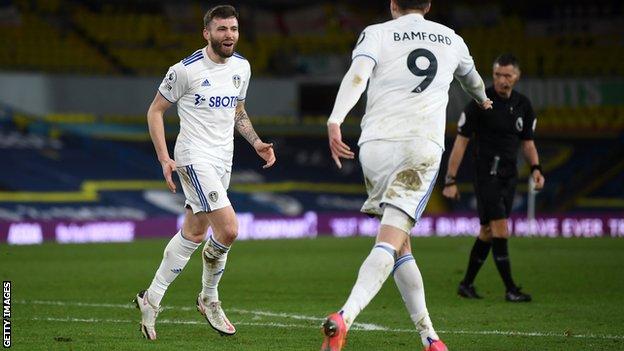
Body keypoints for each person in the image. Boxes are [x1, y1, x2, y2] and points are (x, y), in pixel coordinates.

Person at [321, 1, 492, 350]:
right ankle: (345, 317)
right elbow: (472, 82)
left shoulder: (376, 33)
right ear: (428, 5)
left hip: (375, 146)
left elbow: (358, 76)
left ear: (393, 4)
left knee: (400, 244)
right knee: (389, 239)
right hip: (419, 148)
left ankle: (430, 338)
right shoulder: (451, 38)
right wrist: (484, 99)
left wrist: (335, 119)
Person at [134, 5, 276, 340]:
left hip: (222, 160)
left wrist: (255, 142)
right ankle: (209, 297)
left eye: (234, 29)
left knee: (195, 233)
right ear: (207, 33)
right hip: (193, 157)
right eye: (222, 29)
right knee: (228, 230)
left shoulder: (242, 67)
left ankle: (151, 298)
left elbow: (238, 110)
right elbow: (155, 111)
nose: (229, 36)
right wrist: (164, 158)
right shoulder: (185, 70)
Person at [442, 53, 544, 302]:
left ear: (516, 77)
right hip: (486, 175)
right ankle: (511, 289)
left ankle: (466, 284)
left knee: (488, 231)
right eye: (498, 74)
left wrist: (536, 169)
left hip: (510, 176)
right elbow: (461, 143)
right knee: (500, 228)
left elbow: (528, 143)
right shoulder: (480, 102)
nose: (501, 80)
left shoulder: (523, 105)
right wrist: (450, 179)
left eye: (507, 75)